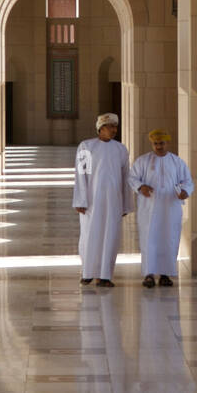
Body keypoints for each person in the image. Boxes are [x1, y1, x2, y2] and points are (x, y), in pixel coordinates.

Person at [129, 129, 194, 288]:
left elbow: (187, 181)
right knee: (149, 240)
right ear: (152, 144)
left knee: (169, 239)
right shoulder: (143, 161)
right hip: (149, 210)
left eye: (162, 143)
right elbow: (132, 177)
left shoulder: (177, 162)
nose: (159, 146)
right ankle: (149, 274)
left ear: (167, 143)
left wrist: (185, 191)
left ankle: (165, 275)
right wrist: (140, 186)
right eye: (156, 143)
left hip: (171, 209)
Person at [73, 113, 131, 287]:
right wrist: (80, 200)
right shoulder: (87, 146)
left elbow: (125, 176)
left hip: (113, 201)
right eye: (110, 126)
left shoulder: (121, 149)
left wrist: (125, 204)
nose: (114, 130)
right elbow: (81, 174)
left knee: (110, 236)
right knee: (90, 235)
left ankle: (105, 275)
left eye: (115, 127)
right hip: (91, 200)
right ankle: (88, 272)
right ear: (100, 128)